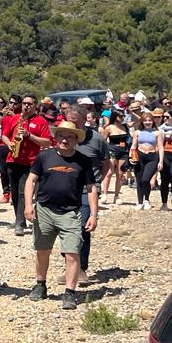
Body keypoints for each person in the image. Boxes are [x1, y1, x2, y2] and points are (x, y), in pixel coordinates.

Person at [24, 121, 98, 310]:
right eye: (61, 136)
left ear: (76, 140)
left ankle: (70, 293)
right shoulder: (44, 157)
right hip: (44, 210)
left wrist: (94, 214)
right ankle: (40, 284)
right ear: (55, 138)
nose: (65, 140)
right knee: (42, 250)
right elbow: (31, 180)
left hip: (71, 213)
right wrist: (28, 206)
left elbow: (91, 189)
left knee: (72, 252)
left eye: (70, 136)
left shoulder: (83, 160)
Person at [64, 105, 108, 287]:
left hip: (87, 190)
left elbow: (106, 164)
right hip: (67, 188)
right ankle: (69, 266)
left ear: (85, 120)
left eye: (75, 121)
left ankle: (81, 268)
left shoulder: (97, 139)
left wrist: (97, 184)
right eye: (69, 120)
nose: (71, 124)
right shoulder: (63, 137)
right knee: (64, 227)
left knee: (82, 226)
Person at [1, 94, 52, 236]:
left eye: (29, 104)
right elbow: (4, 135)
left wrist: (30, 136)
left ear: (35, 106)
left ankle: (19, 223)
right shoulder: (15, 119)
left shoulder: (41, 121)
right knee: (15, 193)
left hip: (30, 162)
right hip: (13, 159)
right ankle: (20, 219)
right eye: (24, 103)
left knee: (24, 192)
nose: (26, 106)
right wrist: (9, 143)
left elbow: (47, 142)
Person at [133, 111, 163, 210]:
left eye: (149, 120)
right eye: (145, 120)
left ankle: (147, 199)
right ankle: (140, 201)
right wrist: (131, 157)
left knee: (146, 179)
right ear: (142, 122)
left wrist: (161, 161)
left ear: (153, 121)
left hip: (152, 156)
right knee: (139, 180)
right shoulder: (137, 132)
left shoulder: (157, 133)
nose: (147, 122)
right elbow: (133, 146)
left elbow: (160, 147)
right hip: (140, 156)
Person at [155, 107, 172, 210]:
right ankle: (164, 202)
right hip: (165, 155)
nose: (165, 119)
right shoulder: (160, 129)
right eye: (164, 117)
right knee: (165, 180)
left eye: (167, 117)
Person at [101, 108, 129, 204]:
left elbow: (138, 121)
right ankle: (105, 193)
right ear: (115, 117)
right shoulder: (109, 127)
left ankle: (116, 195)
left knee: (120, 174)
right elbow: (103, 141)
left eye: (123, 116)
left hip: (123, 151)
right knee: (109, 172)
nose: (122, 118)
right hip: (112, 150)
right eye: (120, 116)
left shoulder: (125, 126)